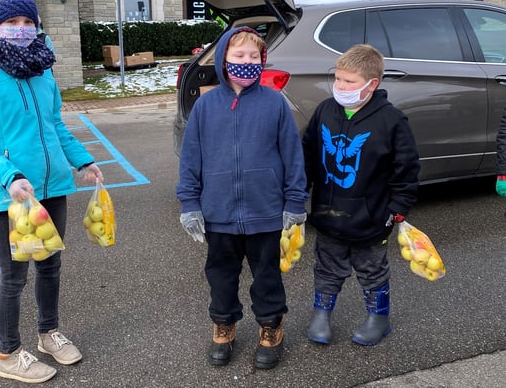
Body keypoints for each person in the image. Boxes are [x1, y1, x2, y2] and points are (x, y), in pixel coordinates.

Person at [0, 0, 103, 383]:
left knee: (50, 265)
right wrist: (8, 175)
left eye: (27, 23)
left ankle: (48, 334)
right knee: (15, 277)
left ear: (37, 27)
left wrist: (83, 160)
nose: (21, 30)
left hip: (52, 186)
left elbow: (54, 125)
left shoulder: (42, 67)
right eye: (11, 23)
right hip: (13, 194)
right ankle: (8, 354)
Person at [176, 26, 309, 370]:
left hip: (265, 212)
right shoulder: (205, 106)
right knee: (221, 274)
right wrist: (190, 204)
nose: (246, 62)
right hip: (218, 213)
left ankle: (270, 327)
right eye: (239, 56)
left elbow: (293, 155)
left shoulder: (274, 103)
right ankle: (223, 325)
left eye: (254, 57)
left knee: (267, 275)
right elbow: (191, 159)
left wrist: (295, 202)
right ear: (223, 59)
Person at [302, 44, 420, 347]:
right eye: (338, 79)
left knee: (371, 269)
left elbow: (405, 168)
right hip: (328, 214)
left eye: (349, 81)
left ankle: (378, 318)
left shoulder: (392, 121)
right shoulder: (325, 111)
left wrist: (397, 208)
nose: (340, 86)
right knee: (327, 265)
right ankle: (321, 315)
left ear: (372, 84)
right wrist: (297, 192)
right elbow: (308, 154)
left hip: (371, 217)